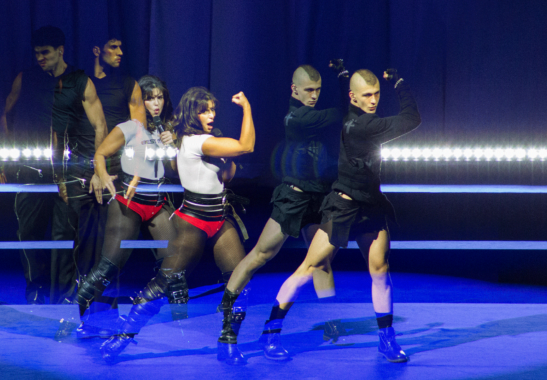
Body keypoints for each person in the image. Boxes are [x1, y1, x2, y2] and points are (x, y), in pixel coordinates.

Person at [255, 68, 421, 363]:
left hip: (370, 206)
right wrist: (399, 84)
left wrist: (343, 74)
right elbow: (412, 119)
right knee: (309, 267)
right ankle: (270, 332)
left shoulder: (354, 114)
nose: (373, 101)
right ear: (353, 98)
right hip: (343, 208)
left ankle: (387, 339)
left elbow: (352, 96)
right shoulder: (363, 126)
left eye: (377, 94)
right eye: (367, 96)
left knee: (380, 269)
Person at [99, 87, 255, 364]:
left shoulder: (206, 141)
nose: (211, 114)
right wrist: (246, 107)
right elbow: (246, 146)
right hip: (193, 220)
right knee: (165, 282)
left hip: (219, 217)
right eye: (204, 110)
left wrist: (226, 159)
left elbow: (227, 176)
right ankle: (123, 337)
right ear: (192, 113)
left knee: (240, 282)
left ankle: (228, 342)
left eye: (213, 109)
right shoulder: (197, 142)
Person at [217, 63, 347, 361]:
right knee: (260, 256)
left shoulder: (310, 112)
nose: (314, 95)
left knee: (322, 261)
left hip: (318, 198)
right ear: (295, 90)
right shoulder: (298, 117)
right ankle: (227, 328)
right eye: (309, 90)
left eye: (318, 91)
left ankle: (329, 323)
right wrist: (343, 80)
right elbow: (341, 113)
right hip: (293, 199)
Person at [73, 75, 177, 338]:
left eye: (160, 97)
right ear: (139, 101)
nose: (156, 103)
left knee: (175, 264)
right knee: (108, 267)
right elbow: (100, 154)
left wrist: (172, 146)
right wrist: (104, 175)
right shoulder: (130, 127)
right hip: (128, 203)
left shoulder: (163, 131)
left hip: (157, 201)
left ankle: (137, 314)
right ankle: (86, 321)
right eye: (150, 97)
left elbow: (175, 170)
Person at [0, 25, 97, 304]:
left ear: (60, 51)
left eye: (45, 53)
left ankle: (63, 294)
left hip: (67, 172)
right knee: (28, 232)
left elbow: (96, 123)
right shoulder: (26, 78)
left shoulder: (78, 79)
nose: (40, 58)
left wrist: (93, 165)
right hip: (30, 167)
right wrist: (8, 154)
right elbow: (6, 114)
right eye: (36, 53)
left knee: (64, 234)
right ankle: (35, 288)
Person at [65, 36, 147, 294]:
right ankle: (77, 295)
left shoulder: (127, 84)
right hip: (80, 169)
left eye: (122, 46)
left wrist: (128, 173)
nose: (120, 52)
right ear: (96, 49)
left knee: (111, 239)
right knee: (81, 237)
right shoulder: (79, 83)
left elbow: (139, 132)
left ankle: (104, 301)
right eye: (114, 47)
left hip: (114, 170)